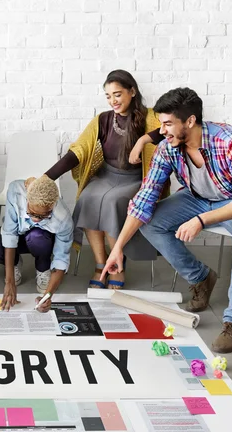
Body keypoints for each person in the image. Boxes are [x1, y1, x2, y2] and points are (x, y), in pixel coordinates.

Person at [102, 87, 232, 353]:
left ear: (190, 121)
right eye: (161, 123)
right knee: (150, 221)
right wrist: (117, 250)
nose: (163, 130)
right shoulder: (168, 148)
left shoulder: (231, 141)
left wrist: (201, 221)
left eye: (169, 123)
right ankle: (201, 278)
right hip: (197, 197)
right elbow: (144, 200)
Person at [45, 69, 166, 290]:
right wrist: (48, 177)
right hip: (106, 175)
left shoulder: (151, 117)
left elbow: (169, 129)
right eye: (108, 96)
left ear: (132, 91)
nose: (113, 101)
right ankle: (101, 264)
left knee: (112, 202)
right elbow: (79, 150)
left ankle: (117, 265)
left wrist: (142, 141)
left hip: (135, 180)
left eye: (117, 94)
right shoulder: (102, 119)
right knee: (88, 197)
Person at [0, 176, 74, 312]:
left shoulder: (63, 219)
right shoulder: (16, 191)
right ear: (27, 199)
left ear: (53, 205)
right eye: (31, 213)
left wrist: (48, 296)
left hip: (41, 240)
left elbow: (61, 259)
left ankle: (43, 268)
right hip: (18, 234)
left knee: (37, 237)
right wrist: (10, 282)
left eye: (43, 216)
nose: (36, 219)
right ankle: (14, 263)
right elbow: (9, 233)